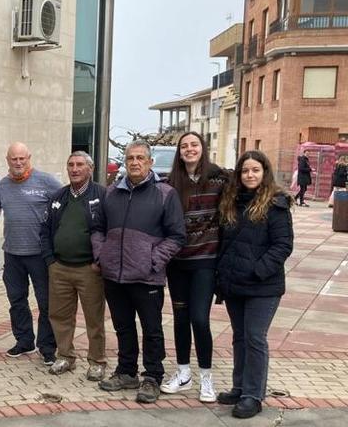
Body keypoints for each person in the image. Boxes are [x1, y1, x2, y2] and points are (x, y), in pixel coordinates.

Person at [95, 140, 185, 404]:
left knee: (152, 329)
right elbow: (98, 229)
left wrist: (152, 260)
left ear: (150, 163)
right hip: (114, 275)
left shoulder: (165, 193)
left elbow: (177, 236)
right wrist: (103, 255)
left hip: (147, 276)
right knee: (123, 327)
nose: (135, 162)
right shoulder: (111, 193)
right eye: (130, 158)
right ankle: (126, 372)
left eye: (140, 158)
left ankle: (152, 376)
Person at [215, 150, 293, 419]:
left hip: (263, 286)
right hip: (235, 284)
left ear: (264, 173)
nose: (250, 175)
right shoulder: (232, 202)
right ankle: (240, 387)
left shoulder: (276, 204)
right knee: (239, 338)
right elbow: (225, 242)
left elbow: (283, 245)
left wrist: (258, 271)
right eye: (245, 171)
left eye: (255, 170)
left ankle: (253, 395)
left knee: (255, 338)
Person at [159, 132, 229, 402]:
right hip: (177, 262)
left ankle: (206, 377)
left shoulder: (219, 179)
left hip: (205, 261)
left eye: (194, 145)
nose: (189, 149)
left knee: (199, 319)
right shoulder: (169, 184)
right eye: (184, 146)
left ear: (203, 148)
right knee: (180, 319)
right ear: (179, 151)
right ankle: (184, 373)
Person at [40, 151, 108, 381]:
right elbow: (45, 230)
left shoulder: (102, 195)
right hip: (59, 267)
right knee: (59, 316)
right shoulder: (58, 196)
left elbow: (109, 231)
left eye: (80, 165)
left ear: (90, 168)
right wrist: (50, 260)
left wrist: (100, 261)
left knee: (94, 318)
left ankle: (97, 361)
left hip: (90, 269)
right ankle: (66, 357)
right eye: (71, 164)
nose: (75, 169)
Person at [0, 142, 60, 363]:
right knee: (17, 301)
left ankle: (47, 347)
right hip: (12, 254)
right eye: (14, 159)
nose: (19, 163)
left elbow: (63, 206)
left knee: (46, 302)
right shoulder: (3, 185)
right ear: (8, 160)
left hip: (40, 254)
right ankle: (24, 341)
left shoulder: (47, 182)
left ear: (29, 158)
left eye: (22, 158)